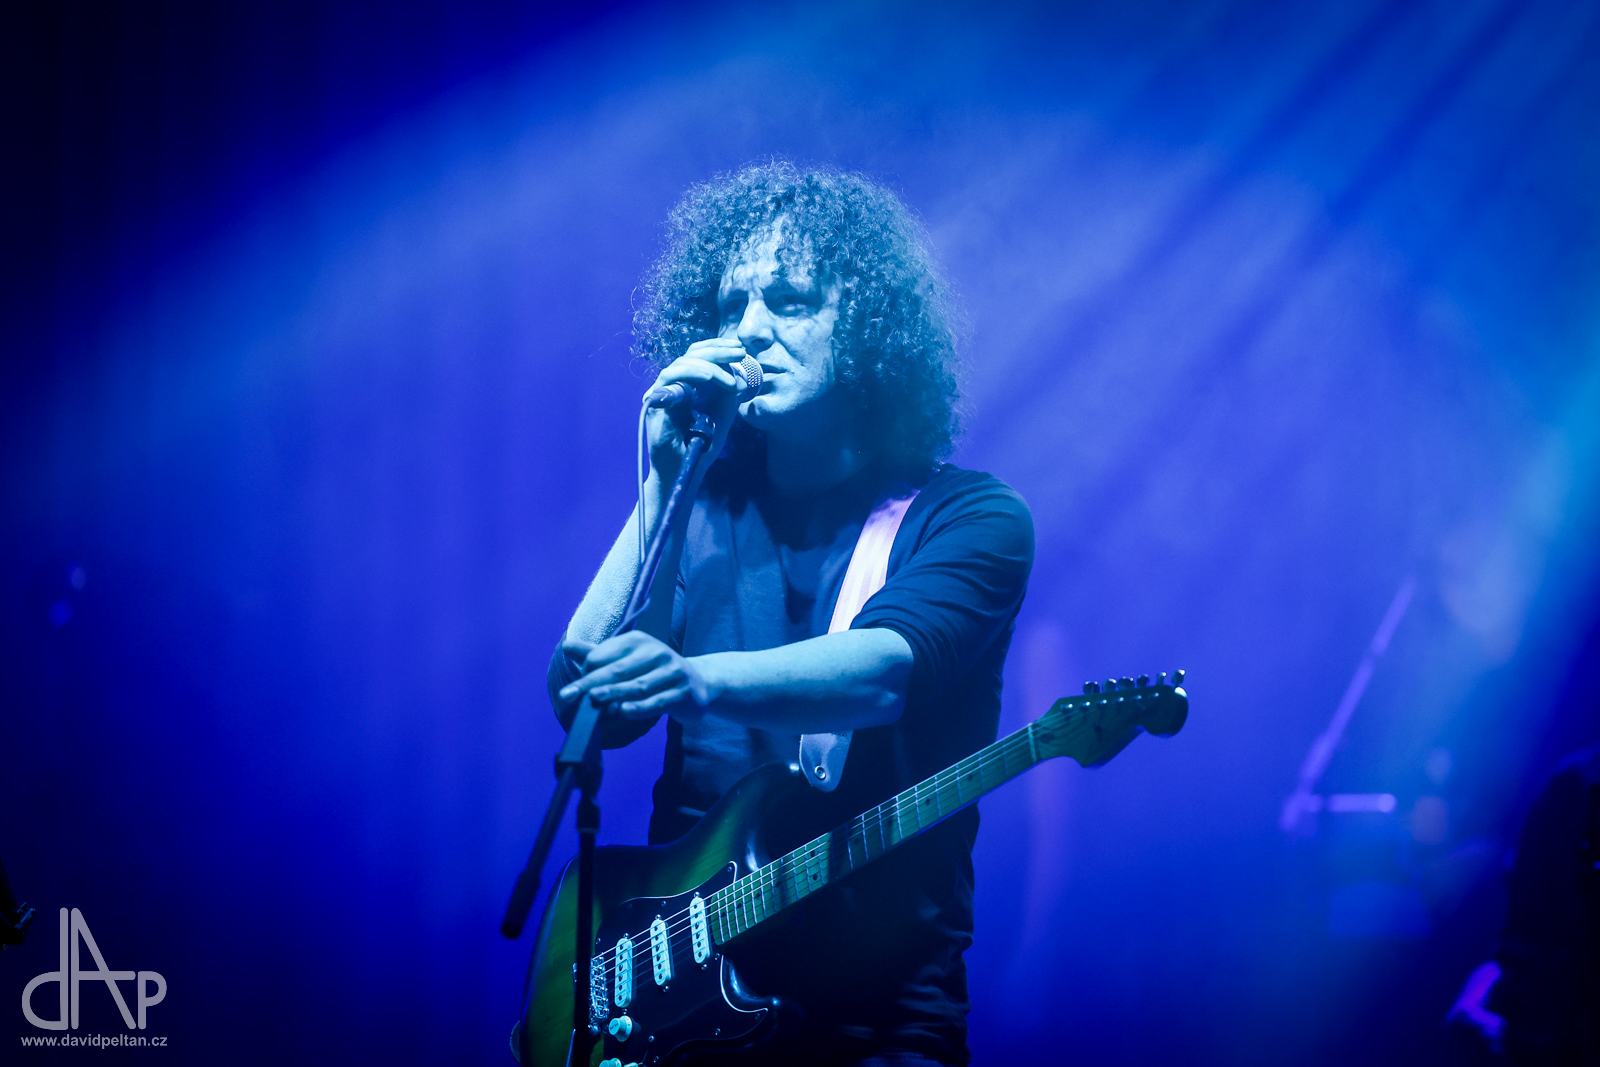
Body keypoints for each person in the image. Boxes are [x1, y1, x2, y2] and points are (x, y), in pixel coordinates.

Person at [549, 161, 1034, 1067]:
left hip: (875, 1024)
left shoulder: (970, 517)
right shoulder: (702, 503)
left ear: (870, 327)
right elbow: (589, 701)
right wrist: (660, 484)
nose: (748, 330)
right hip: (678, 1001)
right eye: (731, 306)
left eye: (790, 300)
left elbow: (884, 674)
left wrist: (692, 680)